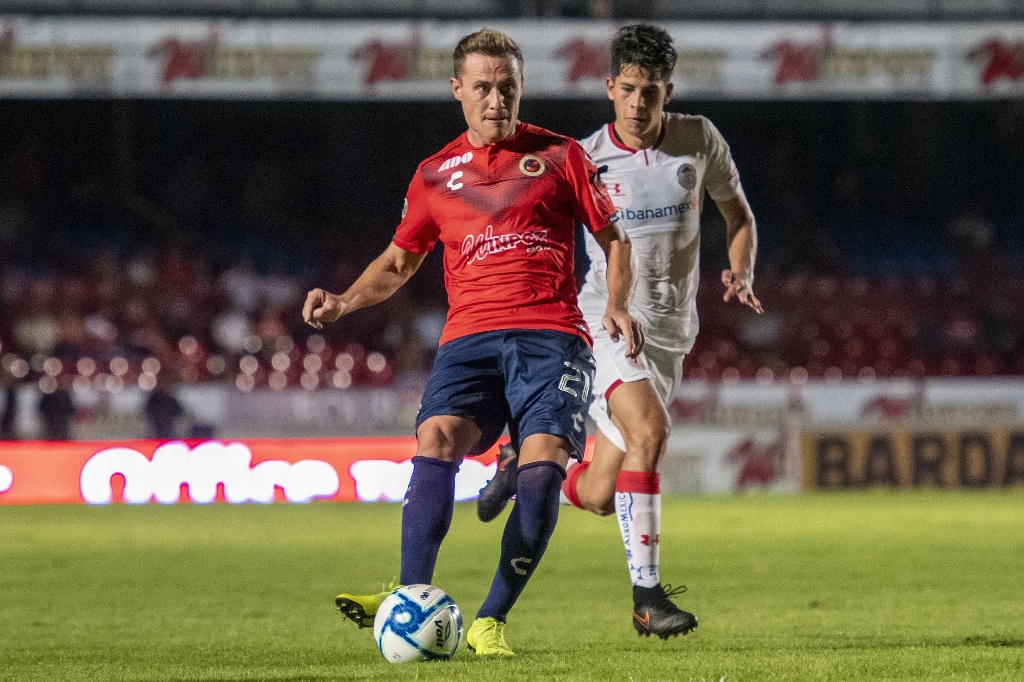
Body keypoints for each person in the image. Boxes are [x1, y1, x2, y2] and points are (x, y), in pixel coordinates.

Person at [303, 29, 642, 656]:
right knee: (434, 441)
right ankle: (411, 595)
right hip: (470, 337)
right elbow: (399, 262)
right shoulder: (436, 175)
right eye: (482, 87)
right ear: (458, 90)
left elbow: (614, 239)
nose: (495, 99)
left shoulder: (563, 157)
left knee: (542, 475)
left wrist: (616, 304)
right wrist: (345, 300)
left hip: (550, 336)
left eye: (507, 86)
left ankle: (490, 619)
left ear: (520, 86)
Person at [477, 23, 762, 640]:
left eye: (651, 91)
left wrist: (741, 267)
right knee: (651, 431)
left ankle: (515, 459)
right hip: (606, 324)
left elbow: (737, 214)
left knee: (605, 492)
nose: (639, 103)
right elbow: (529, 227)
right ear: (609, 88)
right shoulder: (582, 159)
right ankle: (646, 598)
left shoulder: (699, 140)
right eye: (628, 89)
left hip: (669, 335)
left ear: (669, 91)